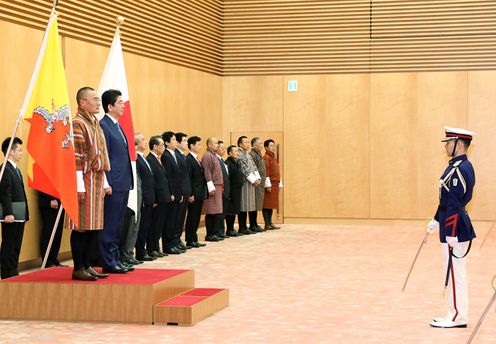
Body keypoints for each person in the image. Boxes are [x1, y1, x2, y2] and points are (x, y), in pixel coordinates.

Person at [426, 126, 476, 329]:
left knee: (455, 273)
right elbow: (447, 201)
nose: (446, 145)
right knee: (454, 272)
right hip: (450, 226)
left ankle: (457, 317)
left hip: (454, 229)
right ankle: (453, 312)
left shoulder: (459, 169)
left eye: (449, 142)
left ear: (459, 144)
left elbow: (455, 204)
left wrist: (451, 232)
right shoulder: (458, 166)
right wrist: (437, 219)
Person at [70, 87, 111, 281]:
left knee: (94, 225)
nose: (98, 102)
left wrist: (104, 182)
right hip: (83, 179)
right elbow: (76, 156)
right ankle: (78, 267)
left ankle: (87, 265)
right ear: (82, 102)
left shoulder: (95, 123)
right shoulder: (77, 123)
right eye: (94, 99)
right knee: (81, 225)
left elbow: (102, 155)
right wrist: (79, 185)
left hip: (96, 179)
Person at [99, 89, 134, 274]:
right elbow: (103, 157)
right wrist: (106, 182)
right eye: (120, 102)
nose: (123, 105)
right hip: (112, 183)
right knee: (111, 224)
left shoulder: (118, 126)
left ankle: (116, 258)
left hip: (123, 182)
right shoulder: (104, 125)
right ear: (110, 106)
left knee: (119, 224)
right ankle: (109, 261)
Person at [0, 137, 29, 279]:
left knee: (16, 245)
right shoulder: (5, 169)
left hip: (20, 214)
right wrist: (8, 213)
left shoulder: (15, 169)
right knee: (9, 245)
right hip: (11, 215)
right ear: (10, 151)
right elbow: (5, 193)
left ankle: (13, 270)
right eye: (19, 150)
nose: (21, 153)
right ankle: (6, 273)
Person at [146, 135, 172, 258]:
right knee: (154, 225)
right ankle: (151, 248)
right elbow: (153, 182)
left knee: (159, 225)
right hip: (158, 198)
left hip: (164, 197)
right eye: (161, 145)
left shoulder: (158, 159)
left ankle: (156, 247)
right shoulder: (150, 159)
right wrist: (155, 198)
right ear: (154, 146)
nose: (163, 147)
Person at [161, 131, 185, 254]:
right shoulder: (165, 155)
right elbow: (168, 177)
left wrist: (180, 193)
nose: (176, 142)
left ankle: (173, 243)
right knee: (169, 221)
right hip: (171, 194)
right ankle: (167, 245)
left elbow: (179, 176)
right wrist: (172, 193)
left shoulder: (174, 154)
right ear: (166, 142)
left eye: (176, 140)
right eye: (174, 140)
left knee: (175, 220)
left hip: (177, 192)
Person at [135, 133, 156, 261]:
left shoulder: (143, 158)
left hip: (149, 197)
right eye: (143, 140)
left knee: (146, 225)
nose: (145, 141)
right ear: (136, 144)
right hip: (143, 198)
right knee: (141, 227)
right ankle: (140, 252)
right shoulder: (137, 159)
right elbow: (140, 181)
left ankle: (144, 251)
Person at [185, 136, 207, 248]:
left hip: (200, 192)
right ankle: (190, 240)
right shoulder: (188, 159)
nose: (200, 147)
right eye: (198, 145)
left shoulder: (197, 158)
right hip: (194, 193)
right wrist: (190, 194)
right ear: (192, 146)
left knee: (197, 217)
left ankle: (194, 238)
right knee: (192, 217)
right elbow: (188, 178)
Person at [237, 136, 261, 235]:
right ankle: (242, 227)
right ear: (240, 144)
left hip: (251, 183)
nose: (247, 144)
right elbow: (244, 168)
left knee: (250, 204)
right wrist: (253, 180)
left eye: (248, 142)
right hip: (245, 183)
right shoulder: (239, 154)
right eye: (245, 142)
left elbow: (254, 167)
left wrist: (257, 178)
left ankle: (251, 225)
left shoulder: (247, 154)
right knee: (243, 204)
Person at [202, 137, 224, 242]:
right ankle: (209, 234)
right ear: (209, 144)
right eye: (215, 143)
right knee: (211, 211)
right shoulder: (207, 156)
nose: (217, 145)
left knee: (217, 211)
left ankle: (215, 232)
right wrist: (210, 187)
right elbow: (207, 172)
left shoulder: (214, 155)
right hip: (213, 186)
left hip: (218, 186)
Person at [38, 192, 67, 267]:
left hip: (60, 200)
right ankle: (47, 261)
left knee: (58, 232)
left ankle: (54, 259)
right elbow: (44, 181)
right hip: (49, 201)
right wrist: (50, 198)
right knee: (49, 231)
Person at [175, 132, 192, 250]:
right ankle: (175, 240)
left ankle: (178, 239)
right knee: (177, 218)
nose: (187, 143)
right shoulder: (176, 155)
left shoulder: (182, 156)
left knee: (181, 218)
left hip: (186, 191)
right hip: (180, 192)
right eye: (184, 141)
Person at [225, 145, 244, 237]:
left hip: (237, 190)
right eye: (235, 151)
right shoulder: (228, 163)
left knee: (234, 209)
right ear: (229, 153)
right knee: (230, 210)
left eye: (237, 151)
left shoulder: (236, 162)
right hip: (231, 190)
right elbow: (228, 178)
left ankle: (232, 229)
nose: (237, 153)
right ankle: (229, 229)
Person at [262, 139, 281, 230]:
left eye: (274, 145)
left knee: (272, 204)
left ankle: (270, 222)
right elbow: (266, 171)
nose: (273, 147)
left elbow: (276, 170)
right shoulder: (266, 157)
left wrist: (279, 182)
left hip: (275, 183)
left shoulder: (273, 157)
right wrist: (267, 184)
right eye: (271, 146)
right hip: (270, 183)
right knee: (267, 204)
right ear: (266, 147)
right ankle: (267, 223)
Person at [248, 137, 266, 232]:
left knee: (256, 204)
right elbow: (253, 169)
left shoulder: (259, 154)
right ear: (254, 144)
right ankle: (252, 224)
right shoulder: (252, 155)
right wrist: (256, 180)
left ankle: (254, 223)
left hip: (259, 183)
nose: (262, 145)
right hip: (255, 183)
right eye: (260, 143)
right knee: (253, 204)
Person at [217, 140, 230, 239]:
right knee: (219, 213)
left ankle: (222, 231)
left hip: (226, 190)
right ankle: (219, 232)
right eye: (221, 148)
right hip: (219, 189)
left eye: (224, 148)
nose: (223, 150)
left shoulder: (222, 160)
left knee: (223, 212)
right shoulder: (216, 160)